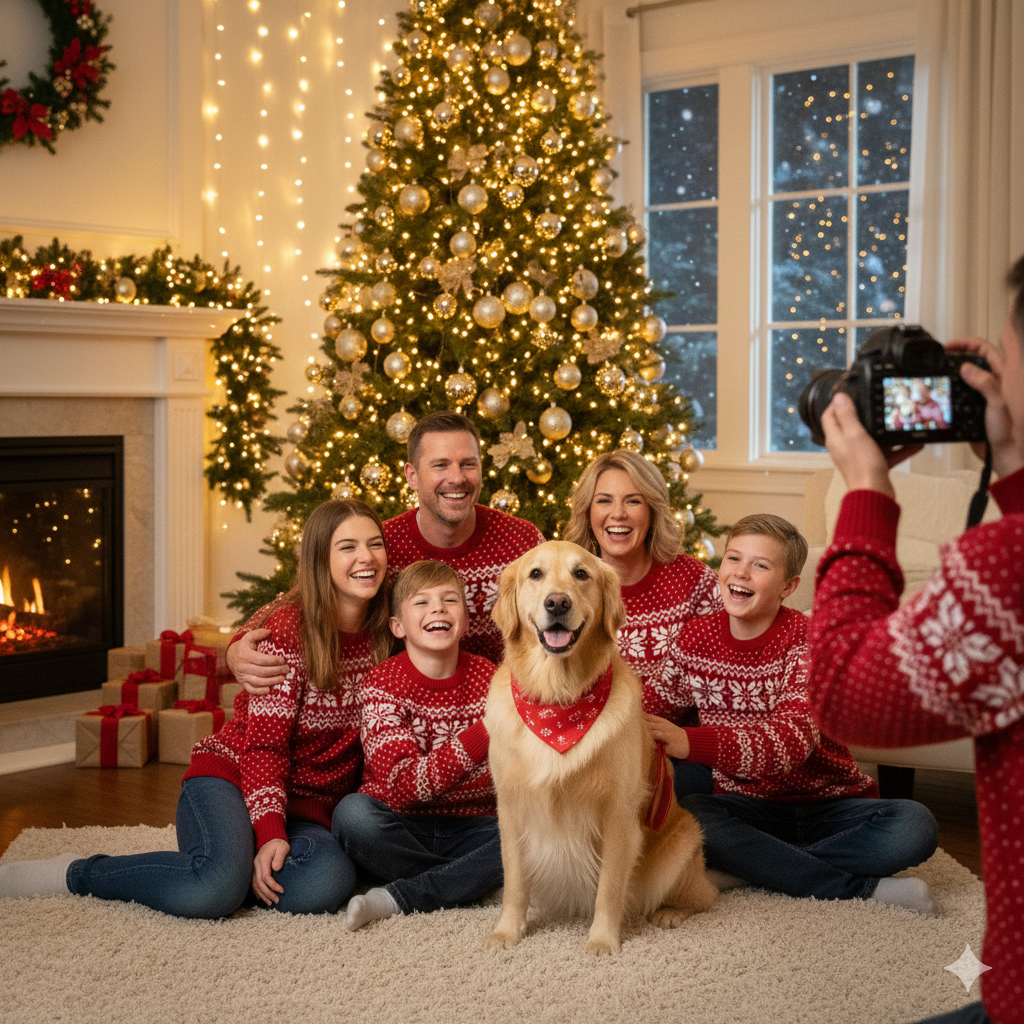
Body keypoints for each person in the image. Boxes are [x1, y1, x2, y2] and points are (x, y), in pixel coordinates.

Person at [806, 255, 1024, 1024]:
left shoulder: (1008, 571)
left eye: (1007, 353)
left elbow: (842, 696)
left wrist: (865, 493)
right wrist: (1012, 465)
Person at [0, 499, 392, 918]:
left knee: (326, 884)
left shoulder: (392, 633)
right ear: (320, 559)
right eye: (347, 546)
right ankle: (78, 873)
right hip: (232, 781)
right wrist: (271, 832)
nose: (366, 557)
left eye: (375, 544)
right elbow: (264, 751)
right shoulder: (285, 635)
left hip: (310, 812)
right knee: (214, 892)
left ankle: (232, 863)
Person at [643, 513, 939, 910]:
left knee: (914, 826)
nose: (741, 573)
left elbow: (790, 742)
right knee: (692, 813)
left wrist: (688, 741)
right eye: (733, 559)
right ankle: (857, 887)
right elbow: (651, 706)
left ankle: (754, 866)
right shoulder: (695, 638)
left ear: (789, 586)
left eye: (760, 565)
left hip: (828, 804)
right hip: (747, 805)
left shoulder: (810, 638)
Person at [229, 410, 544, 689]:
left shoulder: (523, 541)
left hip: (508, 707)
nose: (457, 478)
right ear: (412, 476)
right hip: (407, 707)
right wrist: (236, 646)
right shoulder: (381, 546)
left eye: (468, 465)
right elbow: (304, 596)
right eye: (440, 465)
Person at [332, 559, 499, 930]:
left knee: (532, 832)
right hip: (400, 825)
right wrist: (486, 730)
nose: (437, 608)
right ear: (398, 626)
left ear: (466, 620)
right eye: (421, 602)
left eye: (449, 600)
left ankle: (402, 896)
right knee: (352, 816)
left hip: (475, 826)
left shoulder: (492, 678)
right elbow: (405, 787)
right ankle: (474, 882)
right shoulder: (381, 684)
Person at [563, 448, 723, 794]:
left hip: (678, 755)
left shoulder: (693, 581)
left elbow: (720, 683)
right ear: (588, 511)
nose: (617, 514)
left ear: (652, 511)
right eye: (604, 501)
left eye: (633, 501)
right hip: (589, 751)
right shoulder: (564, 587)